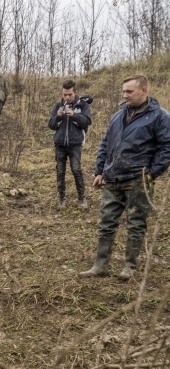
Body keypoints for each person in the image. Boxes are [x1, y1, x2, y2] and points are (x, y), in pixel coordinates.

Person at [79, 75, 170, 280]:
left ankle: (130, 267)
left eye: (129, 91)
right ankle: (100, 266)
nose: (124, 95)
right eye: (123, 91)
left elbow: (167, 147)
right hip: (113, 178)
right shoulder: (117, 116)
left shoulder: (160, 117)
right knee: (106, 222)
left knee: (136, 223)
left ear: (144, 90)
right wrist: (100, 171)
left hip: (138, 180)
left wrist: (152, 173)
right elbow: (105, 144)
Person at [48, 80, 92, 209]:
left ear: (75, 92)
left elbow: (87, 122)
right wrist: (58, 117)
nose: (67, 97)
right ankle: (62, 199)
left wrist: (74, 116)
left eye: (70, 94)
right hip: (60, 144)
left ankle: (82, 198)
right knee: (60, 171)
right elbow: (51, 124)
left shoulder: (83, 105)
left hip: (75, 143)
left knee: (76, 170)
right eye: (65, 95)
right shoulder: (57, 106)